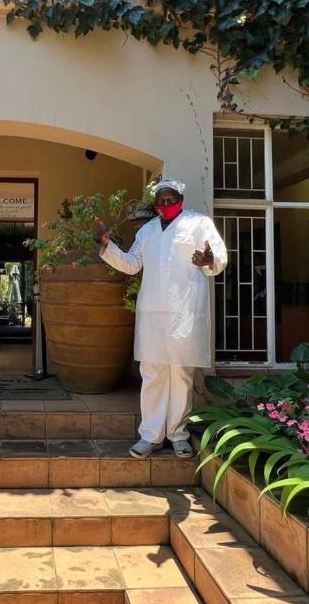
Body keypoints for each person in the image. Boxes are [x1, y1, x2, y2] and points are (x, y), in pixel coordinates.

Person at [97, 178, 228, 459]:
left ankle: (178, 435)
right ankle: (150, 435)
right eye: (161, 201)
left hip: (185, 312)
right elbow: (132, 265)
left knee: (181, 374)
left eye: (171, 199)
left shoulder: (199, 223)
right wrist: (108, 247)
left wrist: (209, 260)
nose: (166, 204)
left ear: (181, 198)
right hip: (153, 313)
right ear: (155, 205)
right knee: (153, 373)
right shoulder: (147, 231)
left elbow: (219, 256)